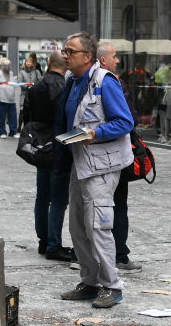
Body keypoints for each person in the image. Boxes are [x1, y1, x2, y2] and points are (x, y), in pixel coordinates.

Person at [57, 33, 135, 309]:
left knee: (99, 226)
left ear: (87, 57)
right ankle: (90, 282)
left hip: (101, 166)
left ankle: (112, 286)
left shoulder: (105, 81)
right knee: (78, 226)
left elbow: (124, 122)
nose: (65, 54)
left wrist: (95, 132)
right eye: (65, 50)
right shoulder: (73, 81)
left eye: (70, 51)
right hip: (80, 163)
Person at [96, 42, 143, 273]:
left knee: (96, 208)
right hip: (112, 156)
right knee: (115, 206)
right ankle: (118, 256)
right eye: (114, 56)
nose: (118, 61)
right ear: (103, 60)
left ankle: (100, 255)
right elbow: (128, 120)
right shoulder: (111, 82)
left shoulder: (82, 81)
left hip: (91, 157)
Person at [21, 52, 72, 260]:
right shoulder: (65, 87)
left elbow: (27, 115)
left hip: (40, 145)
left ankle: (44, 240)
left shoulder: (37, 86)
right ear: (66, 65)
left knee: (42, 196)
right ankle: (53, 244)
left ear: (48, 63)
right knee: (58, 198)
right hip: (59, 146)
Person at [0, 57, 20, 138]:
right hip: (1, 99)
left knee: (13, 116)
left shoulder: (10, 73)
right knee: (1, 117)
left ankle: (13, 132)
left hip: (11, 99)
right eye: (5, 65)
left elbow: (12, 84)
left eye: (8, 65)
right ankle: (2, 132)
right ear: (1, 66)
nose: (7, 67)